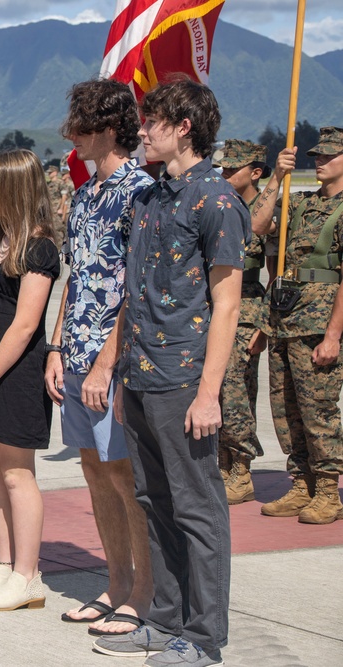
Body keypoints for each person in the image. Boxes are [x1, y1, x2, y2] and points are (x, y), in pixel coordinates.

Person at [94, 79, 249, 667]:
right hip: (140, 373)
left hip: (186, 378)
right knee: (154, 501)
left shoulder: (217, 199)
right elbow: (134, 293)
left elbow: (227, 304)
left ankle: (204, 639)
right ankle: (164, 619)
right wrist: (113, 363)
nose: (142, 130)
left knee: (198, 509)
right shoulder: (149, 197)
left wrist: (209, 393)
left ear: (184, 126)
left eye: (153, 120)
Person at [45, 78, 155, 636]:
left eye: (81, 127)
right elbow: (77, 277)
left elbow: (137, 288)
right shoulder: (85, 195)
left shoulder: (140, 192)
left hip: (116, 360)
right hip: (77, 355)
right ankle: (114, 583)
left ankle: (142, 592)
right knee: (92, 470)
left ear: (109, 129)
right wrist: (58, 346)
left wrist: (107, 363)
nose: (71, 136)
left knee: (121, 473)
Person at [0, 149, 61, 610]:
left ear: (17, 189)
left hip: (15, 374)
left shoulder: (40, 248)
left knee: (18, 473)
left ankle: (28, 575)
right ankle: (4, 565)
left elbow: (25, 325)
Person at [252, 126, 343, 524]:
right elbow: (257, 226)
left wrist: (334, 335)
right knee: (286, 410)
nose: (319, 162)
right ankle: (302, 481)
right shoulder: (302, 204)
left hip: (318, 325)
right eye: (316, 156)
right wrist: (276, 178)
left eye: (328, 156)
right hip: (285, 320)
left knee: (318, 410)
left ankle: (327, 491)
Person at [213, 139, 272, 504]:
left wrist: (265, 323)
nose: (225, 174)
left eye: (233, 168)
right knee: (217, 388)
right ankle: (221, 460)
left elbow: (273, 267)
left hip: (248, 304)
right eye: (223, 167)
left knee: (237, 390)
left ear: (255, 172)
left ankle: (241, 468)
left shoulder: (266, 209)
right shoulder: (221, 204)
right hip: (214, 304)